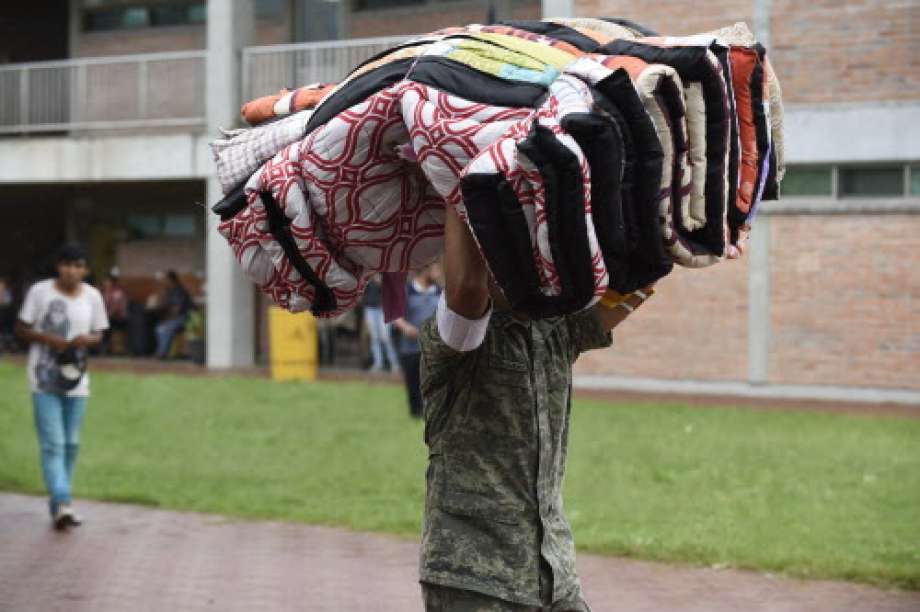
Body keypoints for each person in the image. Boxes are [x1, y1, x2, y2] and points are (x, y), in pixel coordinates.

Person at [417, 209, 655, 611]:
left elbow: (637, 280)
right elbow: (465, 291)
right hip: (475, 579)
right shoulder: (453, 341)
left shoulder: (556, 331)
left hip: (553, 573)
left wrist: (681, 223)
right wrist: (459, 189)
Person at [15, 243, 109, 530]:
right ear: (58, 266)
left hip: (77, 380)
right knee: (53, 443)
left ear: (86, 270)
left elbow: (99, 333)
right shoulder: (40, 292)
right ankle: (64, 498)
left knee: (71, 443)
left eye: (79, 265)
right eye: (67, 264)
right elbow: (21, 328)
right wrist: (47, 339)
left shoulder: (92, 296)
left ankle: (59, 507)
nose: (72, 271)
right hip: (44, 379)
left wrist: (85, 340)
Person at [393, 264, 441, 418]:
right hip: (410, 348)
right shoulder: (407, 291)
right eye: (436, 269)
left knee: (433, 385)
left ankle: (431, 415)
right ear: (425, 269)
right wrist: (406, 328)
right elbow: (395, 315)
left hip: (433, 348)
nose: (439, 273)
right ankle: (415, 414)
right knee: (413, 384)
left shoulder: (440, 293)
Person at [362, 274, 400, 373]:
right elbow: (362, 292)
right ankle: (378, 363)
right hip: (370, 308)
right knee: (374, 337)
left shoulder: (387, 275)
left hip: (383, 308)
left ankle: (394, 363)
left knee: (385, 336)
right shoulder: (368, 276)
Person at [154, 270, 193, 359]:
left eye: (166, 280)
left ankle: (162, 354)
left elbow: (177, 310)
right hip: (175, 318)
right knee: (159, 328)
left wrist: (168, 320)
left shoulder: (179, 291)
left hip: (184, 318)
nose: (164, 282)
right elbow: (164, 304)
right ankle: (162, 352)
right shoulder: (170, 291)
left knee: (165, 329)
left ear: (171, 280)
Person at [100, 271, 129, 355]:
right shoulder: (103, 292)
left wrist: (104, 316)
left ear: (111, 282)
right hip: (108, 317)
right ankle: (102, 347)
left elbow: (114, 309)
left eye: (106, 281)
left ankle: (105, 348)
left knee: (105, 324)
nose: (104, 283)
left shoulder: (117, 292)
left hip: (118, 318)